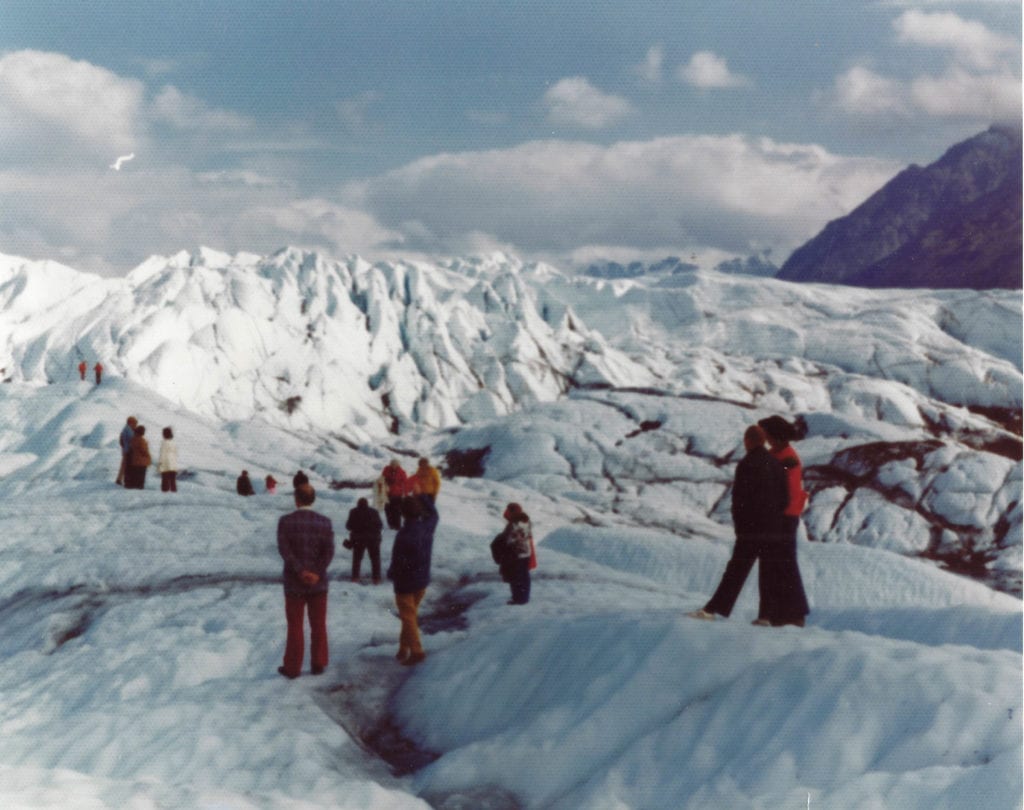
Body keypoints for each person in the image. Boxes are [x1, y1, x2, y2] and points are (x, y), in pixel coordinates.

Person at [688, 425, 788, 624]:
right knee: (768, 573)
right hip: (774, 529)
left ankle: (712, 610)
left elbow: (739, 500)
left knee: (735, 571)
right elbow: (785, 499)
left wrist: (740, 526)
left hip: (751, 530)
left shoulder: (747, 463)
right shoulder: (777, 465)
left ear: (749, 441)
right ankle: (765, 617)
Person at [756, 415, 811, 627]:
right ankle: (777, 614)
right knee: (775, 564)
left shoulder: (787, 459)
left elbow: (785, 491)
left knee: (782, 565)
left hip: (783, 518)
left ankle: (790, 615)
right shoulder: (777, 454)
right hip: (779, 517)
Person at [277, 484, 335, 679]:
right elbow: (328, 553)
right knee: (318, 624)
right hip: (319, 584)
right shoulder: (325, 522)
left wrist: (301, 571)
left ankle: (292, 668)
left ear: (296, 499)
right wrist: (316, 573)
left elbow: (285, 552)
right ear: (314, 499)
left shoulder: (285, 522)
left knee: (295, 626)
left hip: (294, 583)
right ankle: (318, 663)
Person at [386, 495, 439, 666]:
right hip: (422, 580)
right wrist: (424, 496)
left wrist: (391, 574)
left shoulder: (403, 535)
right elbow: (434, 515)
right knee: (409, 617)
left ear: (403, 514)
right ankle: (403, 648)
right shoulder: (427, 527)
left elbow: (398, 562)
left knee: (408, 618)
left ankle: (416, 651)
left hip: (405, 584)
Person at [490, 502, 534, 605]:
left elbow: (509, 540)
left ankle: (518, 599)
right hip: (526, 553)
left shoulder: (513, 524)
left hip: (516, 554)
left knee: (515, 578)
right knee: (524, 576)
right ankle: (524, 597)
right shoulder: (527, 521)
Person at [346, 497, 384, 584]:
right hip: (374, 539)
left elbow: (348, 526)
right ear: (367, 504)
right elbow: (380, 525)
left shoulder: (353, 511)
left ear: (358, 504)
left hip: (358, 539)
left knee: (357, 559)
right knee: (375, 559)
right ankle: (376, 578)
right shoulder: (374, 512)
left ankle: (355, 577)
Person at [381, 459, 408, 530]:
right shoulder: (386, 469)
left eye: (395, 465)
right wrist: (386, 480)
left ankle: (397, 525)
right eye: (392, 465)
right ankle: (391, 524)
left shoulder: (402, 472)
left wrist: (405, 494)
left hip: (397, 495)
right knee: (388, 510)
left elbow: (405, 483)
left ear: (398, 465)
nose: (393, 466)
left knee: (397, 511)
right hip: (388, 494)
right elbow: (382, 479)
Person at [126, 425, 151, 490]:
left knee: (135, 474)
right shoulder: (141, 440)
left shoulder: (133, 439)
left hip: (135, 460)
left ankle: (134, 486)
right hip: (142, 461)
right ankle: (139, 487)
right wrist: (148, 456)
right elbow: (144, 450)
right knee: (141, 476)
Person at [115, 416, 137, 486]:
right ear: (131, 422)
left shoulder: (125, 429)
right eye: (134, 423)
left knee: (124, 465)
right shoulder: (128, 430)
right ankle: (123, 480)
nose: (135, 425)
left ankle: (119, 479)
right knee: (127, 466)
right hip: (128, 451)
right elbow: (132, 439)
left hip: (125, 450)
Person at [158, 427, 178, 493]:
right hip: (173, 464)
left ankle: (165, 494)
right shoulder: (173, 442)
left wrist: (160, 463)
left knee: (165, 481)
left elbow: (162, 454)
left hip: (166, 464)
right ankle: (174, 494)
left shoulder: (164, 443)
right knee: (173, 481)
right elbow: (175, 453)